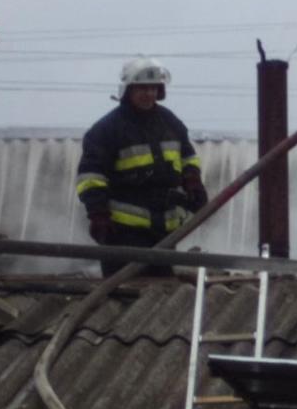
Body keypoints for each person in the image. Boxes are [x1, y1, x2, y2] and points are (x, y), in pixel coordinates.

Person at [75, 57, 208, 276]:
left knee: (161, 298)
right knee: (124, 297)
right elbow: (91, 176)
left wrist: (192, 181)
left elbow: (187, 156)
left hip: (165, 232)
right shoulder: (107, 129)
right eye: (142, 88)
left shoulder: (170, 122)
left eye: (154, 88)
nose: (149, 94)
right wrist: (98, 214)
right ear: (128, 90)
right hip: (124, 234)